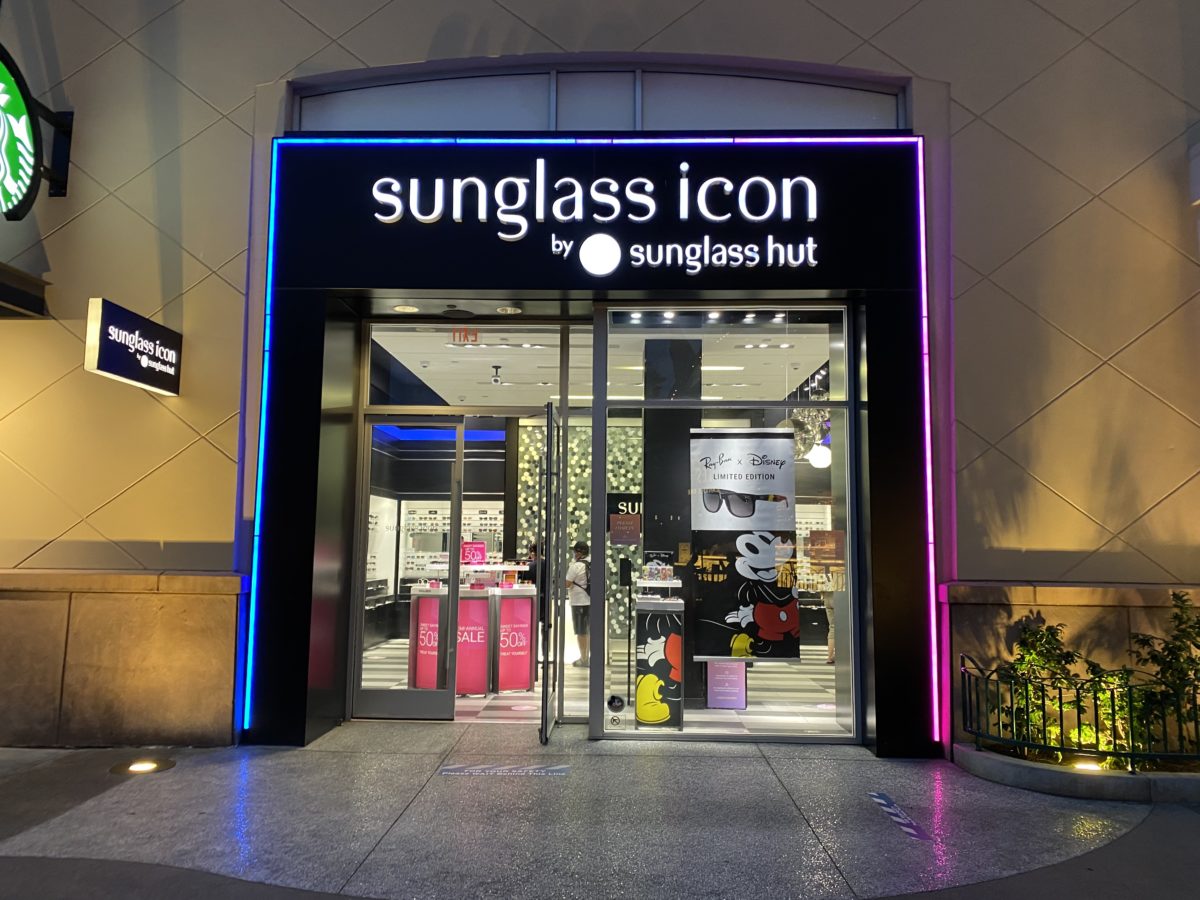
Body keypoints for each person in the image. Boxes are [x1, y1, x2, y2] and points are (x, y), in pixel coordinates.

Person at [564, 540, 591, 668]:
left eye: (575, 551)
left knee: (581, 632)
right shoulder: (593, 563)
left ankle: (583, 658)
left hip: (578, 602)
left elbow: (567, 584)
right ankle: (589, 656)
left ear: (579, 553)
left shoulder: (576, 566)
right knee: (589, 631)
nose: (574, 554)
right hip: (591, 601)